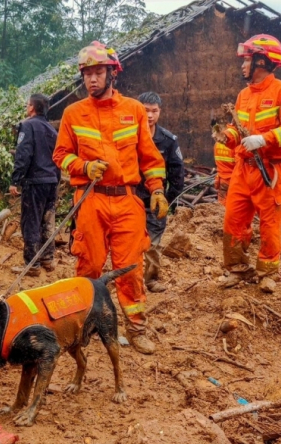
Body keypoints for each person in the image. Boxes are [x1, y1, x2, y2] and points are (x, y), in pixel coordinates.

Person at [53, 41, 168, 355]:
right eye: (87, 73)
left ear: (112, 73)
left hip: (127, 200)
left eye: (98, 72)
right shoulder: (73, 113)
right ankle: (81, 327)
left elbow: (149, 155)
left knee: (130, 268)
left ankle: (137, 328)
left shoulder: (133, 110)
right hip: (90, 201)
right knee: (88, 265)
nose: (92, 79)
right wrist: (84, 166)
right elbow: (60, 155)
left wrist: (156, 188)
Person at [217, 34, 281, 288]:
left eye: (247, 60)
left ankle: (267, 273)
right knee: (233, 219)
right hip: (244, 170)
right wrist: (226, 136)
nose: (243, 65)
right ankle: (237, 268)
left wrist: (263, 140)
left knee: (269, 223)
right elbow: (237, 129)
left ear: (262, 62)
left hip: (271, 170)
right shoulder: (243, 95)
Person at [135, 91, 184, 293]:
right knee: (128, 245)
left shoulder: (167, 140)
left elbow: (177, 173)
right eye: (145, 111)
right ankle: (131, 282)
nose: (149, 116)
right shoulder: (128, 137)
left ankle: (151, 280)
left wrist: (168, 199)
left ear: (159, 112)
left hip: (156, 202)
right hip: (131, 200)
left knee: (152, 245)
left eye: (154, 111)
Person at [9, 93, 60, 276]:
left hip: (35, 181)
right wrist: (56, 179)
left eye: (27, 105)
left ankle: (32, 265)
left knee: (31, 221)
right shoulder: (52, 130)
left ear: (31, 107)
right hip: (52, 181)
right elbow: (58, 157)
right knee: (48, 219)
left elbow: (23, 154)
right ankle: (48, 258)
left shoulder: (27, 125)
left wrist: (15, 180)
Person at [212, 118, 236, 205]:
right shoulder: (234, 146)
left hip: (222, 180)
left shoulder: (216, 145)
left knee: (222, 207)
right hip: (234, 181)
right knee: (234, 207)